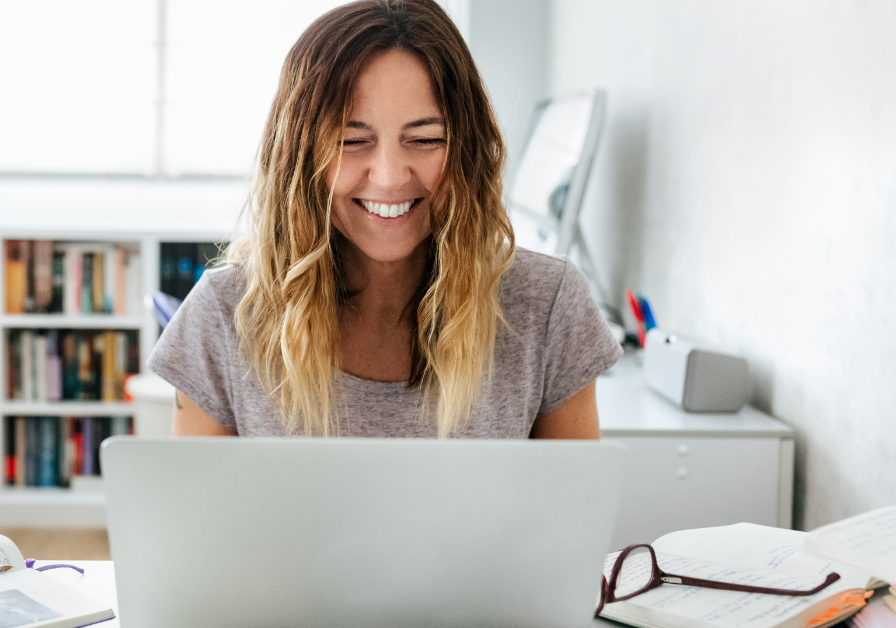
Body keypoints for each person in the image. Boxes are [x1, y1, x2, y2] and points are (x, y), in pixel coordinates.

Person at [149, 0, 621, 439]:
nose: (391, 177)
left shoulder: (550, 306)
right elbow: (196, 527)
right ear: (297, 158)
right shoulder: (222, 314)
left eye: (425, 139)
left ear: (466, 151)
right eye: (351, 141)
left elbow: (571, 520)